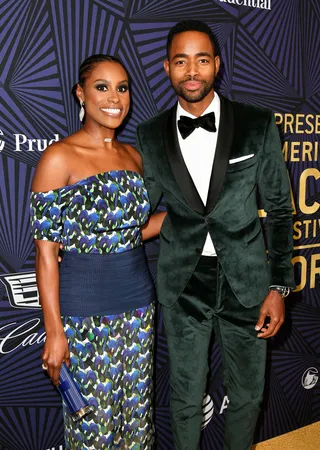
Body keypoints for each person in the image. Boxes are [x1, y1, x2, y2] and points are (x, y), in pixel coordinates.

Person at [136, 20, 295, 450]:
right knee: (185, 396)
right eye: (182, 61)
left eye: (202, 60)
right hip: (184, 283)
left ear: (217, 65)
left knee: (247, 394)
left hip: (248, 282)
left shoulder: (256, 124)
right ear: (167, 67)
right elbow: (139, 210)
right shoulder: (149, 134)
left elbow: (280, 211)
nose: (192, 71)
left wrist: (279, 285)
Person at [30, 54, 165, 450]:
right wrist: (54, 332)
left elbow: (134, 232)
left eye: (122, 88)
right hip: (85, 316)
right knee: (95, 432)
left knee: (138, 425)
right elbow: (45, 254)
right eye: (102, 87)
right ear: (81, 94)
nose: (114, 98)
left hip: (140, 307)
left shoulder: (133, 157)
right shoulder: (58, 157)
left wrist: (191, 217)